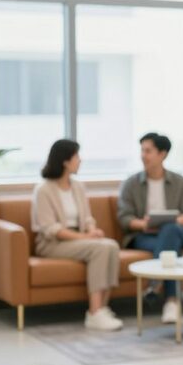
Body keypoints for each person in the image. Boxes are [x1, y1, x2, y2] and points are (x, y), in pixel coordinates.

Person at [32, 139, 123, 331]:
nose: (80, 160)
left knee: (111, 245)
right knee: (100, 248)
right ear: (65, 161)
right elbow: (50, 229)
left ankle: (103, 307)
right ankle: (94, 312)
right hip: (53, 243)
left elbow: (87, 217)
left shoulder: (78, 187)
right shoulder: (44, 190)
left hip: (80, 239)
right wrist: (85, 238)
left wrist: (92, 230)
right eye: (77, 156)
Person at [118, 133, 183, 324]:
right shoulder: (131, 183)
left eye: (148, 151)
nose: (143, 155)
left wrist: (175, 220)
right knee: (171, 248)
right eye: (142, 151)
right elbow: (124, 218)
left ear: (163, 154)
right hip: (145, 236)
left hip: (175, 231)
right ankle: (172, 301)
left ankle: (155, 283)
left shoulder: (179, 182)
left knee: (170, 230)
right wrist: (143, 224)